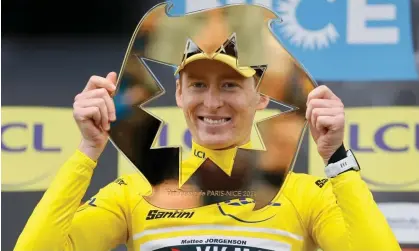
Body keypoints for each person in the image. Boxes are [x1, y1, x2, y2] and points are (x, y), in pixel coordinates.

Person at [14, 37, 400, 251]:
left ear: (261, 99)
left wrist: (335, 157)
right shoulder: (138, 191)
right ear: (179, 94)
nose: (212, 102)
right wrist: (88, 150)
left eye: (230, 85)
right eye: (198, 85)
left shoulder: (302, 193)